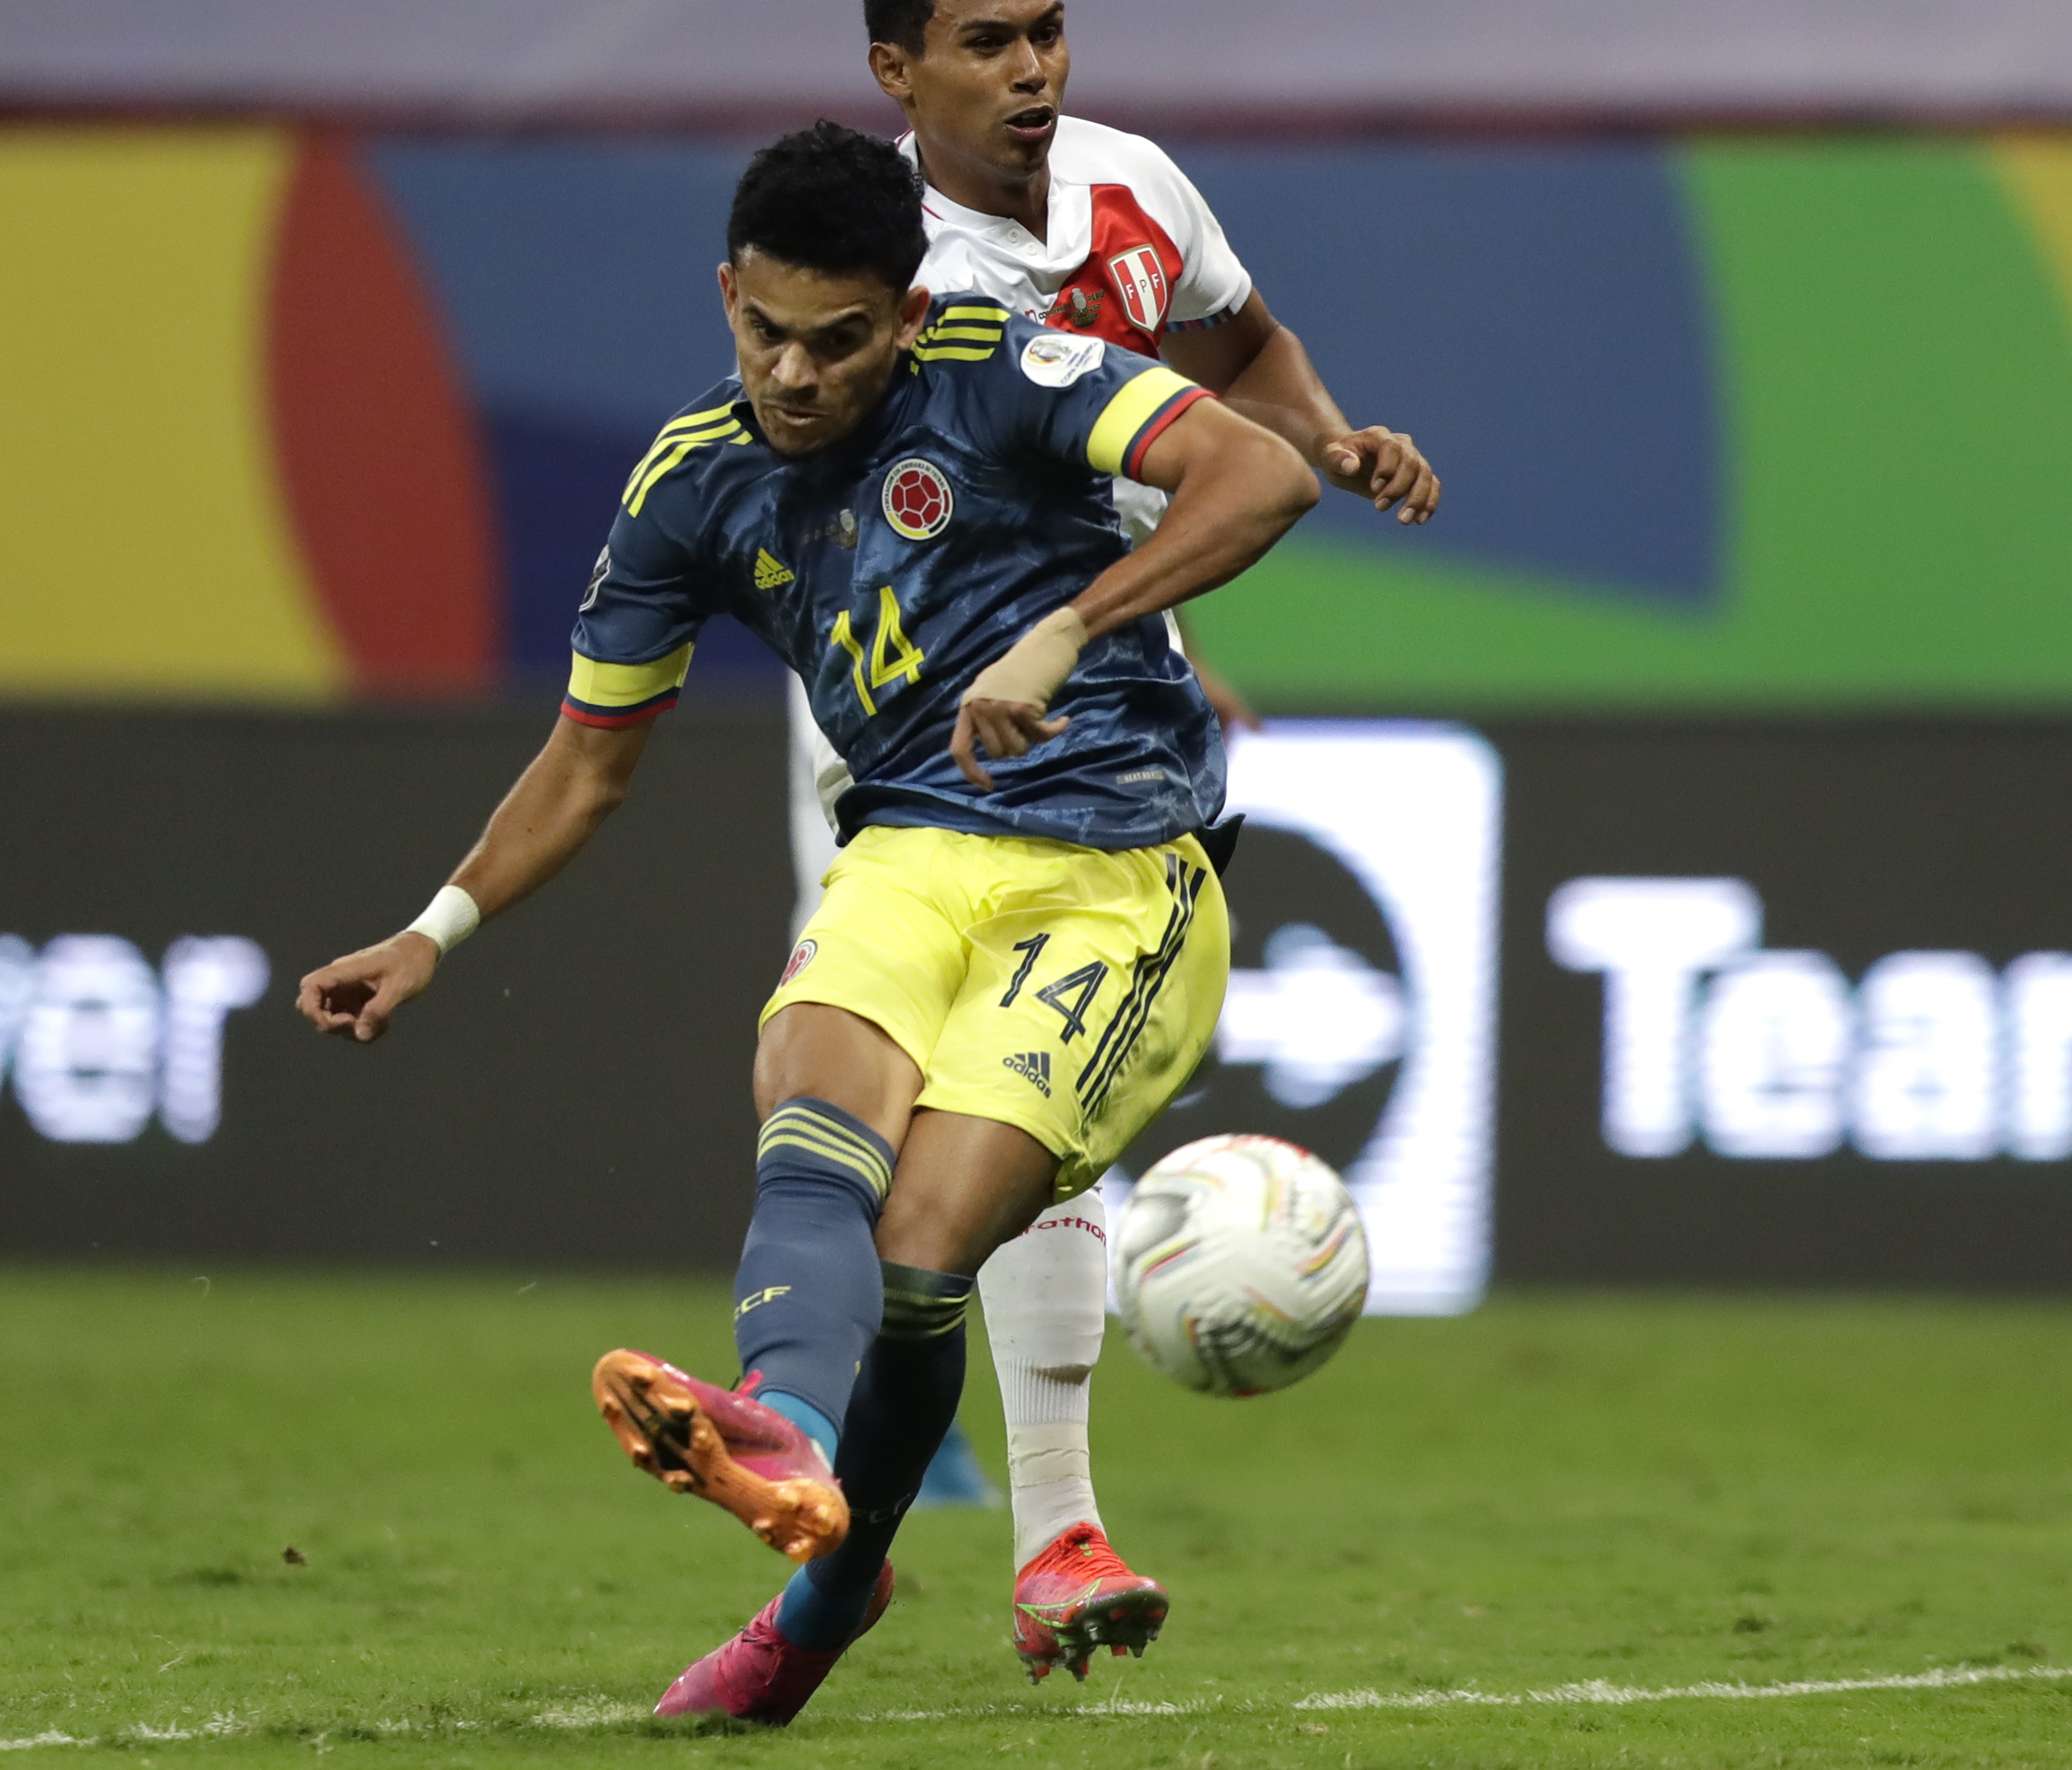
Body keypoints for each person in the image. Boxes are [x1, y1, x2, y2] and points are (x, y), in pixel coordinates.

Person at [295, 122, 1319, 1725]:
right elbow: (586, 761)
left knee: (919, 1268)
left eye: (838, 342)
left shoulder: (1005, 372)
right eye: (761, 330)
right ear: (725, 295)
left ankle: (826, 1597)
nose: (793, 372)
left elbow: (1263, 467)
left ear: (907, 316)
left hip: (1118, 874)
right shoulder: (692, 484)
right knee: (808, 1106)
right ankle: (780, 1434)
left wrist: (1065, 628)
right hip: (909, 849)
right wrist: (434, 929)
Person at [779, 0, 1440, 1685]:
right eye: (989, 44)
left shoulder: (1134, 188)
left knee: (1031, 1099)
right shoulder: (880, 267)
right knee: (919, 1114)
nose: (1032, 72)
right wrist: (1090, 633)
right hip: (912, 716)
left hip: (1090, 687)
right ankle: (825, 1444)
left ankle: (1036, 1522)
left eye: (1048, 33)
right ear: (893, 73)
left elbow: (1242, 350)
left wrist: (1327, 435)